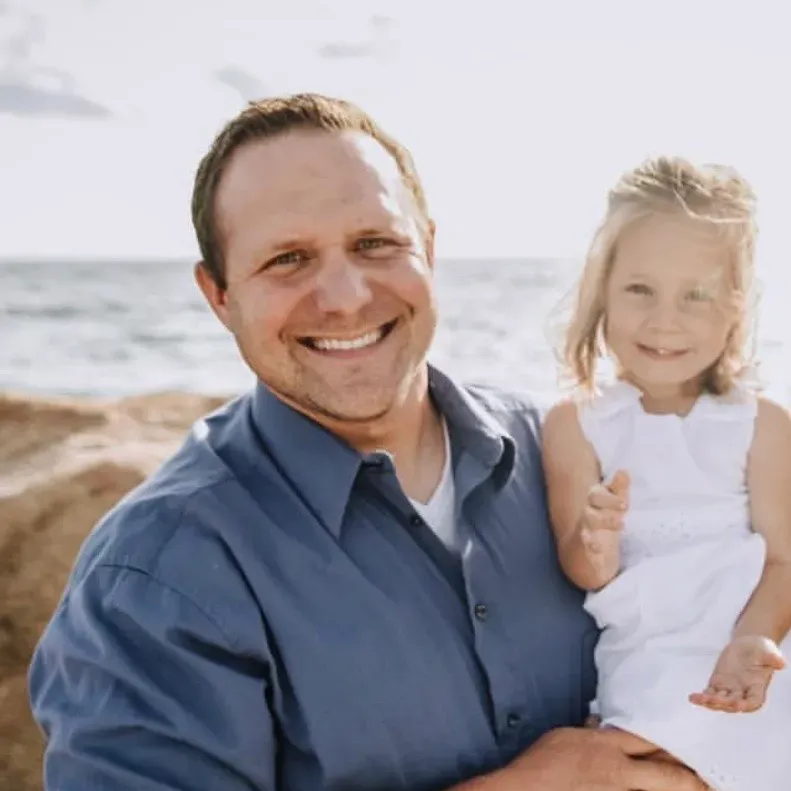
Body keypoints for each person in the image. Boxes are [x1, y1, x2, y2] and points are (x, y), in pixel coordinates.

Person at [28, 94, 707, 791]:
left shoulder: (582, 453)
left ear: (430, 250)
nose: (346, 296)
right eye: (287, 259)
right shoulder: (157, 576)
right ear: (219, 295)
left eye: (374, 244)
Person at [541, 155, 791, 791]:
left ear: (736, 304)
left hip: (747, 645)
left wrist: (754, 642)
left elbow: (784, 561)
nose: (665, 321)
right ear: (603, 289)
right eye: (640, 290)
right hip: (647, 651)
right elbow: (585, 569)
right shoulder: (577, 424)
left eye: (697, 295)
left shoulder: (760, 424)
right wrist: (593, 541)